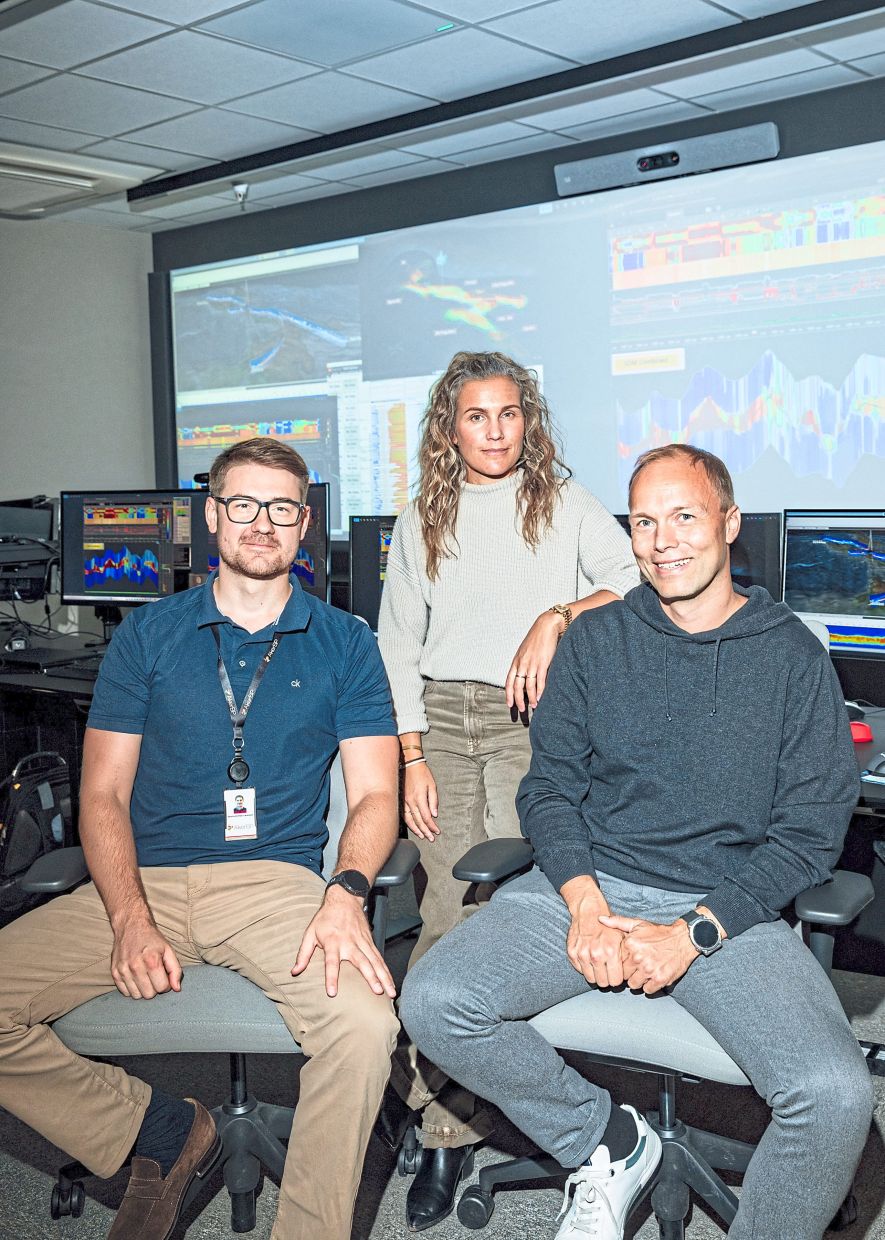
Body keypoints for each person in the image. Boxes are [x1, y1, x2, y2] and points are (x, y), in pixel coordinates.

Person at [400, 443, 873, 1240]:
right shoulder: (595, 641)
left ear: (727, 523)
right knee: (435, 1001)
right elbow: (548, 790)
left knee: (834, 1095)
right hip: (590, 883)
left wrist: (693, 933)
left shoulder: (791, 655)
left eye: (684, 517)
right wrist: (582, 905)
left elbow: (807, 835)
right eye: (645, 524)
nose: (663, 542)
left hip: (726, 909)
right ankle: (604, 1141)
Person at [0, 437, 400, 1240]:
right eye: (243, 505)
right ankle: (156, 1130)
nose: (262, 523)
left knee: (364, 1028)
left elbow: (376, 795)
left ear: (302, 526)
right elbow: (104, 797)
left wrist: (346, 893)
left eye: (281, 508)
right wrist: (127, 916)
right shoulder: (148, 636)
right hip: (144, 879)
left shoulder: (347, 642)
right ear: (212, 517)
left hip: (274, 887)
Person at [376, 350, 638, 1230]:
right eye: (475, 416)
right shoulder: (421, 519)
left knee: (521, 913)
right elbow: (396, 644)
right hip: (444, 725)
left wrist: (554, 615)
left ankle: (545, 1106)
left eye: (508, 414)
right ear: (448, 429)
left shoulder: (562, 502)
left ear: (528, 419)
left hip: (536, 721)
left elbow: (635, 577)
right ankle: (446, 1130)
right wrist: (410, 755)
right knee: (449, 914)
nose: (494, 431)